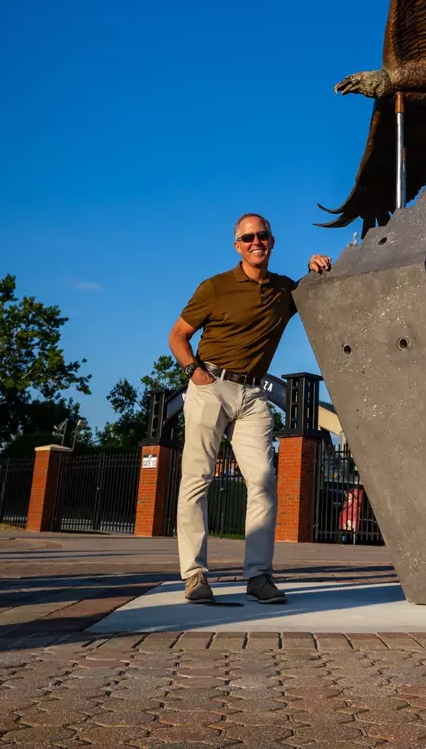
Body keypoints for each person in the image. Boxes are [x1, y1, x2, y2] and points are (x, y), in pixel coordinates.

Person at [169, 212, 331, 606]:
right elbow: (178, 335)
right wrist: (194, 372)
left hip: (253, 395)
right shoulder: (215, 287)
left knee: (262, 480)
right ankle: (194, 576)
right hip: (210, 386)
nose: (256, 242)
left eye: (262, 236)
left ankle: (258, 576)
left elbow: (314, 294)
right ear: (237, 246)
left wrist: (315, 268)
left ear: (272, 242)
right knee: (198, 479)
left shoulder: (284, 291)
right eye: (248, 238)